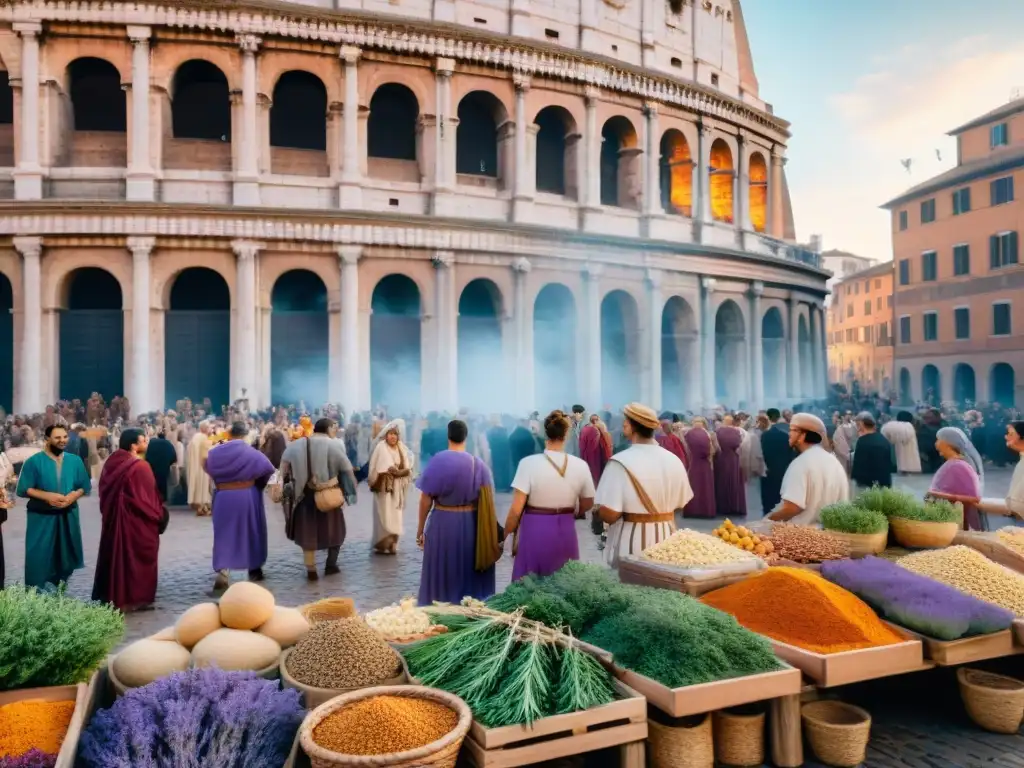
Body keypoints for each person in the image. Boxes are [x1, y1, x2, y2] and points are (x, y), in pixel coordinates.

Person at [595, 403, 693, 567]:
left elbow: (610, 514)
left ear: (631, 426)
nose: (623, 423)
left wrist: (598, 513)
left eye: (626, 420)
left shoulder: (619, 462)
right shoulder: (673, 460)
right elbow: (681, 503)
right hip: (668, 540)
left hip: (631, 542)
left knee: (633, 587)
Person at [416, 419, 501, 604]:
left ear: (448, 436)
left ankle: (441, 605)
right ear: (466, 437)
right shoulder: (478, 465)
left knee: (442, 568)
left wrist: (420, 529)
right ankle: (471, 606)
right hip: (471, 524)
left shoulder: (437, 461)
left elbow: (425, 500)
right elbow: (487, 499)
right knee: (467, 568)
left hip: (442, 523)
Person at [504, 410, 595, 580]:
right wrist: (573, 512)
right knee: (564, 581)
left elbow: (516, 509)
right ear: (566, 435)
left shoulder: (528, 464)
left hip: (534, 527)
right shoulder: (580, 465)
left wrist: (504, 535)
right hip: (566, 527)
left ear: (545, 433)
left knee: (531, 582)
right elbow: (588, 502)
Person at [93, 428, 167, 611]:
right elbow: (146, 501)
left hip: (114, 520)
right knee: (136, 559)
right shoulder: (140, 467)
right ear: (134, 445)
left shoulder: (112, 462)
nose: (146, 443)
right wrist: (160, 515)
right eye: (143, 440)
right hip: (136, 523)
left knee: (117, 556)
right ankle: (136, 598)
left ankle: (114, 595)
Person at [15, 424, 92, 588]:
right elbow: (23, 489)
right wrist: (46, 496)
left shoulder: (75, 461)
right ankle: (36, 595)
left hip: (68, 516)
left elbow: (84, 486)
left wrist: (73, 496)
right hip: (41, 517)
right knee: (39, 555)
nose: (62, 440)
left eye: (65, 437)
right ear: (47, 439)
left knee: (65, 558)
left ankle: (58, 590)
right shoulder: (34, 462)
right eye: (57, 437)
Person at [280, 418, 357, 581]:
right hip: (328, 496)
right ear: (328, 428)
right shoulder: (334, 445)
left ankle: (311, 569)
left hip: (304, 496)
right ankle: (331, 565)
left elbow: (283, 470)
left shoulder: (294, 446)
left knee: (308, 532)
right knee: (335, 530)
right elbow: (347, 470)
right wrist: (349, 491)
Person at [205, 421, 276, 591]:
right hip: (247, 495)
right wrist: (258, 484)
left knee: (223, 534)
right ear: (245, 435)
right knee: (252, 531)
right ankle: (254, 568)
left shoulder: (215, 452)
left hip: (223, 496)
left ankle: (223, 570)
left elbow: (209, 468)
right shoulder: (250, 451)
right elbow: (268, 469)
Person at [766, 413, 848, 526]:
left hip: (803, 536)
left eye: (793, 430)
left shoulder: (800, 464)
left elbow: (792, 508)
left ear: (803, 435)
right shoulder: (833, 461)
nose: (789, 434)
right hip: (830, 535)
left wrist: (768, 520)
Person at [368, 418, 415, 554]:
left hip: (397, 489)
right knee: (384, 515)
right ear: (386, 435)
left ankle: (394, 543)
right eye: (390, 434)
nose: (393, 436)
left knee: (396, 515)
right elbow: (374, 466)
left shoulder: (401, 447)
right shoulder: (380, 447)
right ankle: (383, 543)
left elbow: (407, 466)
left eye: (395, 434)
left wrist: (403, 471)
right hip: (384, 489)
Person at [927, 427, 986, 531]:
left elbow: (975, 498)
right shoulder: (952, 463)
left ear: (948, 443)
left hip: (956, 522)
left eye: (938, 439)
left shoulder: (959, 466)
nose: (935, 443)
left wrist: (937, 494)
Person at [760, 408, 793, 517]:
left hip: (769, 471)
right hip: (785, 471)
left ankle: (768, 517)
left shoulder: (764, 435)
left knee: (769, 500)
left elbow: (761, 454)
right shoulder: (788, 434)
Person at [682, 416, 715, 518]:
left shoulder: (687, 434)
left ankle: (692, 510)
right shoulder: (708, 434)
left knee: (693, 485)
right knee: (705, 486)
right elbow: (712, 450)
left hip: (693, 463)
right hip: (704, 464)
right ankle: (706, 510)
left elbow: (685, 449)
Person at [714, 415, 746, 517]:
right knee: (733, 480)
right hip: (733, 459)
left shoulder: (718, 432)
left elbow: (715, 445)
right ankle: (734, 505)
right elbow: (738, 444)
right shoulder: (736, 432)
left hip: (721, 458)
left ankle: (722, 506)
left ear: (724, 421)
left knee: (721, 481)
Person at [850, 412, 892, 489]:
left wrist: (855, 477)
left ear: (861, 425)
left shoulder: (862, 441)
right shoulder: (883, 439)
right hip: (884, 481)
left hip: (867, 483)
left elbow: (858, 462)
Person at [187, 421, 214, 516]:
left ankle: (201, 506)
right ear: (205, 428)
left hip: (196, 467)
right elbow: (211, 449)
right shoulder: (203, 438)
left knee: (200, 486)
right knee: (204, 487)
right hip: (203, 466)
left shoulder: (195, 437)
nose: (212, 430)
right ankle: (204, 507)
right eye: (210, 428)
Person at [144, 430, 178, 502]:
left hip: (153, 466)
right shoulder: (168, 443)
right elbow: (173, 456)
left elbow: (147, 455)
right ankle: (163, 498)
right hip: (164, 466)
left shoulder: (152, 443)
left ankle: (153, 498)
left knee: (154, 482)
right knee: (163, 482)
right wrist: (169, 462)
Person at [486, 416, 513, 492]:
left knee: (496, 469)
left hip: (495, 453)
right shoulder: (505, 431)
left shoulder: (491, 432)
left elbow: (490, 442)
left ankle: (498, 486)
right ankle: (505, 485)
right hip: (505, 453)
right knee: (505, 470)